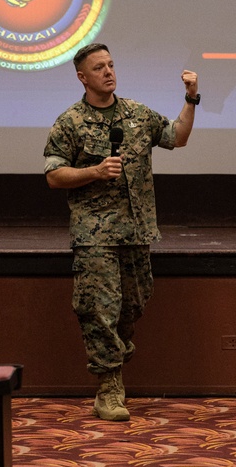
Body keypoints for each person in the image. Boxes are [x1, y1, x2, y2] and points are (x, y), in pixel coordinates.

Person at [43, 43, 200, 421]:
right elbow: (53, 175)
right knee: (100, 309)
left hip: (136, 230)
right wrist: (93, 172)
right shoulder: (70, 122)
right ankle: (109, 387)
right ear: (83, 77)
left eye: (111, 65)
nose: (108, 72)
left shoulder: (137, 114)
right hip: (94, 233)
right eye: (99, 68)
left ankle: (113, 354)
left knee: (133, 303)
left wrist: (191, 99)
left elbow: (177, 136)